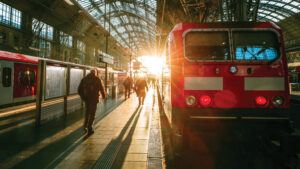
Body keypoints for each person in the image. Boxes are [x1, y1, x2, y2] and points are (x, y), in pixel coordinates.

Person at [78, 70, 106, 135]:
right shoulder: (97, 79)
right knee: (92, 113)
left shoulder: (84, 79)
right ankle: (90, 127)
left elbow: (79, 89)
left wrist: (83, 97)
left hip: (87, 99)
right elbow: (101, 88)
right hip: (94, 98)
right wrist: (103, 96)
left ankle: (85, 126)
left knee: (87, 112)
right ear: (95, 73)